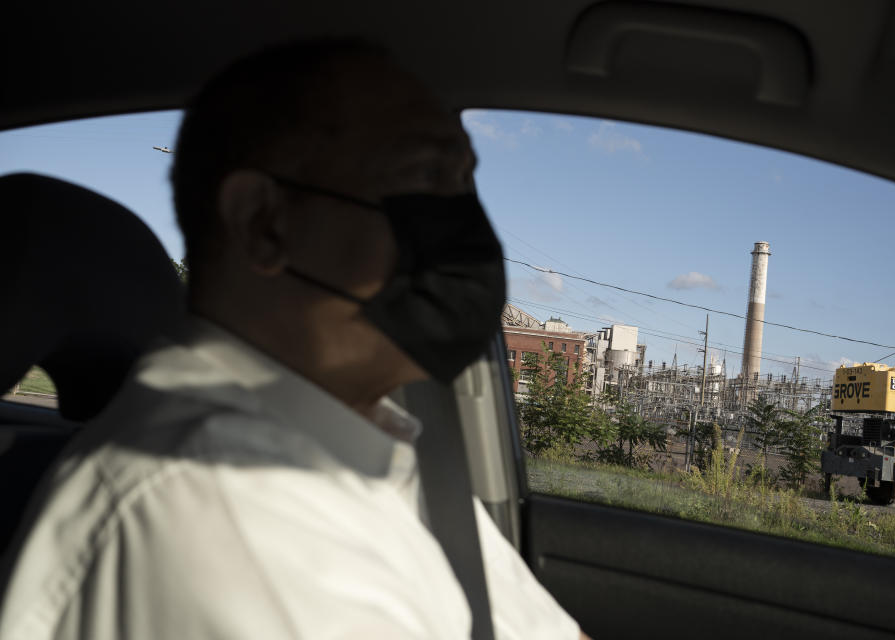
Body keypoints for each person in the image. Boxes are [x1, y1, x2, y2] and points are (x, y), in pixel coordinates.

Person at [0, 41, 587, 639]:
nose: (466, 225)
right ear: (264, 223)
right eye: (425, 176)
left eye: (464, 182)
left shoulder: (375, 449)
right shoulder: (217, 503)